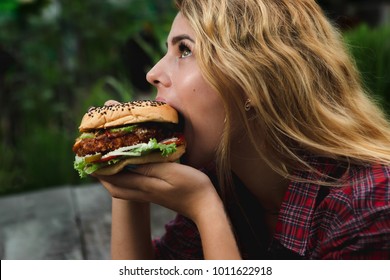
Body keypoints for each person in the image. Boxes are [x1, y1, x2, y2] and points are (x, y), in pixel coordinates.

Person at [96, 0, 390, 259]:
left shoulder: (371, 206)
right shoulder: (226, 180)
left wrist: (205, 210)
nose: (153, 73)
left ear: (252, 81)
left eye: (184, 50)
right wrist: (127, 163)